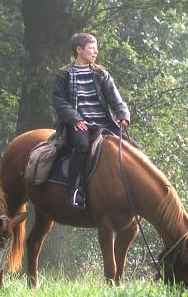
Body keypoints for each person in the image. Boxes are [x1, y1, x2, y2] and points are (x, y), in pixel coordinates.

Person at [52, 33, 131, 210]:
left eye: (96, 48)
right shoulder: (63, 74)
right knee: (81, 146)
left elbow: (115, 98)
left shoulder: (101, 73)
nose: (96, 51)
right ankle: (72, 191)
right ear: (79, 50)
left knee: (131, 145)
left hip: (104, 123)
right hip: (79, 124)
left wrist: (123, 114)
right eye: (92, 48)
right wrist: (74, 119)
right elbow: (59, 101)